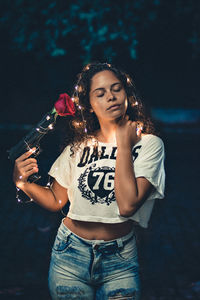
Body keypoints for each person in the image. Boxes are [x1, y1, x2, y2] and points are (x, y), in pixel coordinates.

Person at [13, 62, 165, 300]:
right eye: (100, 93)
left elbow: (127, 205)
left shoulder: (149, 144)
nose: (111, 97)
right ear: (90, 105)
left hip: (120, 259)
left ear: (127, 94)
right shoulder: (78, 147)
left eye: (116, 89)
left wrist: (124, 144)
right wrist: (22, 181)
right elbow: (56, 200)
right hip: (69, 254)